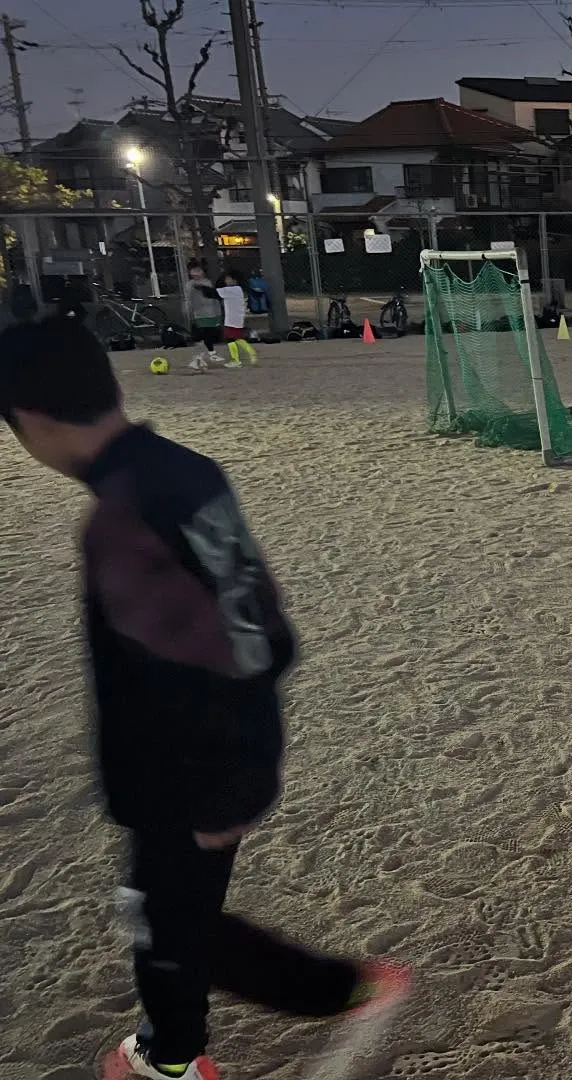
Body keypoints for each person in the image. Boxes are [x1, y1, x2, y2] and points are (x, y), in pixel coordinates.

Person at [0, 316, 410, 1080]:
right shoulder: (188, 470)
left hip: (187, 777)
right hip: (234, 752)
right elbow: (261, 626)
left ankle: (190, 1051)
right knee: (172, 911)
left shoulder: (120, 519)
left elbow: (200, 663)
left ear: (29, 420)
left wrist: (217, 795)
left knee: (164, 918)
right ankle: (204, 1036)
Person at [215, 271, 257, 369]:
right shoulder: (237, 290)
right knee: (235, 338)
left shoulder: (233, 289)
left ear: (235, 280)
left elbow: (215, 293)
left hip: (232, 320)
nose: (226, 281)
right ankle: (250, 353)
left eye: (228, 279)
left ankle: (236, 360)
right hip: (235, 319)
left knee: (231, 339)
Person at [187, 262, 222, 373]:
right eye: (194, 271)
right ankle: (199, 359)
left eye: (199, 270)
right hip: (199, 315)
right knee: (200, 337)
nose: (196, 273)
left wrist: (218, 313)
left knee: (208, 336)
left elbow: (214, 299)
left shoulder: (207, 283)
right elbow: (189, 300)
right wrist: (190, 313)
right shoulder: (190, 284)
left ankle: (203, 358)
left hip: (210, 314)